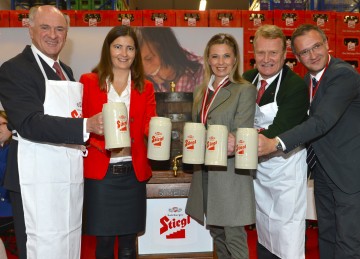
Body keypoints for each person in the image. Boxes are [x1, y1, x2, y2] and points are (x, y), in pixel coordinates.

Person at [0, 5, 103, 259]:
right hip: (34, 179)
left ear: (67, 34)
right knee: (41, 245)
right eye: (45, 27)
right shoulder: (14, 69)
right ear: (30, 30)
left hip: (65, 178)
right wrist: (86, 126)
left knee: (68, 240)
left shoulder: (66, 72)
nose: (53, 35)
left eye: (60, 29)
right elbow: (29, 123)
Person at [258, 24, 360, 259]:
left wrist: (275, 143)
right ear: (296, 56)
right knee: (327, 234)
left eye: (316, 47)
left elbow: (322, 122)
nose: (312, 55)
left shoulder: (342, 74)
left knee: (348, 242)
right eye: (305, 52)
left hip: (349, 175)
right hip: (323, 172)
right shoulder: (307, 81)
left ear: (327, 44)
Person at [79, 25, 156, 259]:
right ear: (108, 49)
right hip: (101, 174)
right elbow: (79, 123)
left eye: (130, 48)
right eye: (118, 46)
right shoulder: (89, 81)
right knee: (103, 242)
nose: (124, 53)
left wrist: (159, 132)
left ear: (136, 52)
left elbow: (148, 124)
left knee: (128, 244)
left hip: (132, 174)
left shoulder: (146, 86)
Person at [185, 33, 257, 259]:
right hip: (205, 172)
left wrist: (227, 140)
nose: (221, 62)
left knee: (233, 235)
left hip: (229, 173)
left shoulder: (243, 90)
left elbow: (241, 130)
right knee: (216, 232)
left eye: (226, 56)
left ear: (235, 59)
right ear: (207, 59)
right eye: (215, 56)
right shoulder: (200, 92)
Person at [242, 25, 309, 259]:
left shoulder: (295, 87)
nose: (267, 59)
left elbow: (278, 131)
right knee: (264, 229)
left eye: (273, 53)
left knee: (287, 231)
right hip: (259, 170)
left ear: (284, 55)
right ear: (253, 53)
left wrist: (238, 140)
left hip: (286, 170)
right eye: (261, 53)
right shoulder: (246, 80)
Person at [134, 27, 204, 92]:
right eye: (138, 62)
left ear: (165, 49)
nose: (145, 70)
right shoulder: (138, 80)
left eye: (149, 58)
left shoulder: (203, 71)